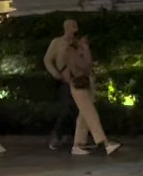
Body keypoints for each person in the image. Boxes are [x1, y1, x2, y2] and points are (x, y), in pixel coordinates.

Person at [44, 19, 119, 156]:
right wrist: (57, 74)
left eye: (75, 26)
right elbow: (52, 61)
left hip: (84, 81)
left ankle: (79, 144)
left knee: (84, 114)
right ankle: (104, 142)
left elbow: (87, 65)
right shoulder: (60, 45)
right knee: (89, 113)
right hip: (75, 82)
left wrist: (85, 50)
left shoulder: (77, 46)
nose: (74, 29)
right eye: (71, 26)